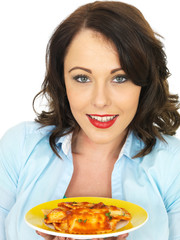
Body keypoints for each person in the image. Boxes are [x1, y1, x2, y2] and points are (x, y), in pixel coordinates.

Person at [0, 1, 180, 240]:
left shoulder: (173, 164)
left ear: (144, 81)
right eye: (83, 78)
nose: (100, 101)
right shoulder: (19, 147)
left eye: (120, 77)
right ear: (62, 80)